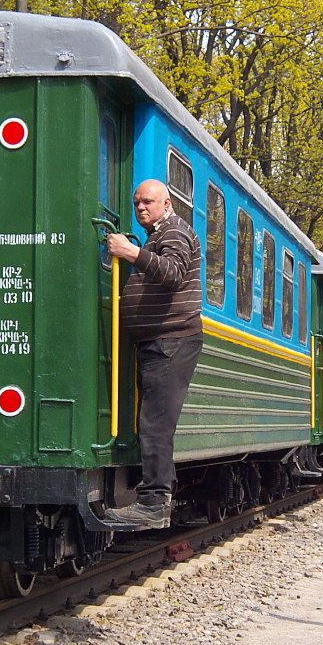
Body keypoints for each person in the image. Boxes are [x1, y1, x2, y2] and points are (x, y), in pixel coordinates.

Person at [102, 179, 203, 529]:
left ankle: (154, 504)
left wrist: (130, 253)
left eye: (148, 202)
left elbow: (173, 274)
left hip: (172, 342)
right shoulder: (159, 234)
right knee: (154, 422)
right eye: (136, 203)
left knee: (156, 424)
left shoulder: (174, 231)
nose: (141, 208)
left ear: (167, 202)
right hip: (160, 343)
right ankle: (154, 498)